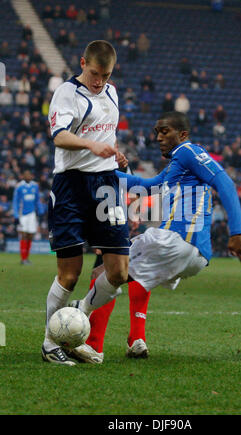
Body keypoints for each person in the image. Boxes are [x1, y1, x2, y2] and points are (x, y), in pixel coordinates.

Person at [66, 111, 241, 364]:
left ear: (183, 134)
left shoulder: (189, 151)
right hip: (194, 257)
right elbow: (144, 186)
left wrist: (238, 231)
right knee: (136, 278)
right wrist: (102, 174)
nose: (158, 137)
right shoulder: (175, 167)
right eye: (156, 132)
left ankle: (88, 337)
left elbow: (225, 183)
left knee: (105, 271)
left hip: (176, 241)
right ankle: (136, 339)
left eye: (165, 131)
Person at [41, 40, 129, 365]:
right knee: (70, 273)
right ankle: (52, 343)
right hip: (71, 185)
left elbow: (107, 135)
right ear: (82, 63)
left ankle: (79, 313)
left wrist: (115, 153)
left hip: (106, 185)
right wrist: (92, 146)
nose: (99, 82)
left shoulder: (112, 93)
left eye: (105, 75)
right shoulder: (67, 93)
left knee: (119, 272)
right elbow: (59, 136)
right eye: (94, 74)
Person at [12, 170, 44, 265]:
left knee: (30, 236)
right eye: (26, 174)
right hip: (22, 215)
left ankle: (27, 258)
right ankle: (23, 259)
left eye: (30, 174)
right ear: (23, 176)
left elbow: (37, 200)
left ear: (32, 176)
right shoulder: (19, 186)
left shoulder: (35, 186)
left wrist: (41, 211)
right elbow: (15, 202)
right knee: (23, 235)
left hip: (32, 214)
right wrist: (16, 215)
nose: (28, 176)